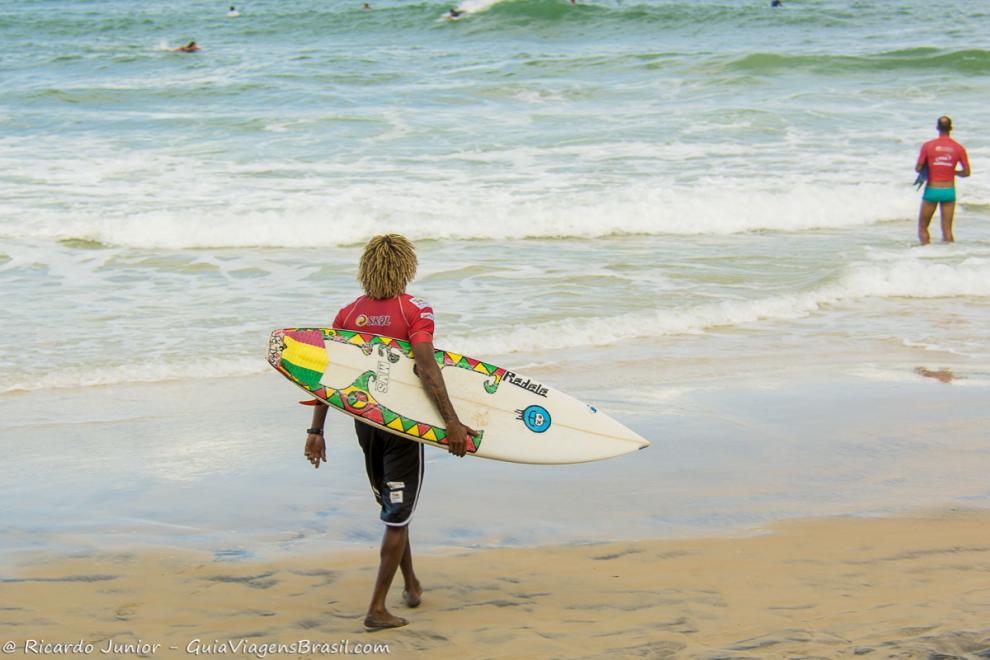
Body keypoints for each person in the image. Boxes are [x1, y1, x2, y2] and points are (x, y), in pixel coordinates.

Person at [303, 234, 477, 630]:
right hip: (401, 428)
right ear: (406, 267)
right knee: (397, 514)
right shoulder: (415, 310)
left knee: (395, 507)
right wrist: (451, 421)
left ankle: (411, 585)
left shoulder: (347, 315)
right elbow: (426, 367)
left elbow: (326, 378)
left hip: (366, 426)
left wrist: (316, 430)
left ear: (366, 269)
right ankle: (376, 609)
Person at [916, 115, 971, 244]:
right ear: (951, 128)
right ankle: (950, 257)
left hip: (932, 190)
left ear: (937, 128)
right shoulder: (958, 148)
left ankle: (925, 254)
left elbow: (918, 168)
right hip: (949, 190)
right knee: (947, 230)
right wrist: (954, 171)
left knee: (923, 227)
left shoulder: (928, 146)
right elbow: (967, 172)